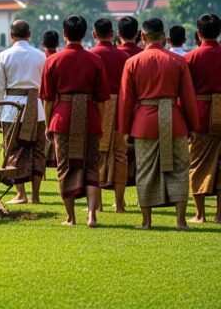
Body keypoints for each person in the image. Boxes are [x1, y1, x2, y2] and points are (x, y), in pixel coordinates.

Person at [119, 18, 198, 231]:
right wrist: (192, 126)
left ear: (142, 37)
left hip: (144, 123)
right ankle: (180, 222)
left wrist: (124, 130)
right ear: (163, 36)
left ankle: (146, 222)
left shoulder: (132, 62)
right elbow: (188, 98)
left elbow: (126, 100)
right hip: (174, 120)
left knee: (144, 170)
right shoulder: (178, 61)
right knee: (180, 169)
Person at [40, 15, 109, 227]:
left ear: (64, 34)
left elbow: (49, 99)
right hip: (89, 116)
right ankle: (91, 215)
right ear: (86, 34)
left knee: (65, 167)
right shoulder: (95, 60)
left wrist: (48, 123)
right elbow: (101, 100)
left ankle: (71, 217)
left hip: (63, 117)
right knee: (91, 166)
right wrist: (100, 122)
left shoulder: (53, 60)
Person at [0, 20, 47, 204]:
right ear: (29, 34)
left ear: (11, 35)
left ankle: (21, 194)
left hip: (11, 108)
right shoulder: (41, 56)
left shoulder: (3, 56)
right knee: (38, 151)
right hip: (37, 108)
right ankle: (36, 195)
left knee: (13, 150)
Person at [89, 18, 131, 213]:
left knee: (95, 155)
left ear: (94, 34)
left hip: (98, 108)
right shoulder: (123, 57)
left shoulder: (91, 56)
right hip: (121, 109)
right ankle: (120, 204)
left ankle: (97, 205)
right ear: (113, 34)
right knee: (121, 155)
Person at [184, 14, 221, 224]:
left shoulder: (190, 59)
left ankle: (200, 214)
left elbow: (184, 93)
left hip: (199, 114)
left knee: (196, 163)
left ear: (198, 33)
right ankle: (219, 214)